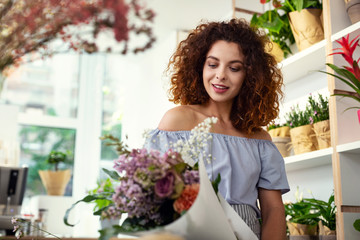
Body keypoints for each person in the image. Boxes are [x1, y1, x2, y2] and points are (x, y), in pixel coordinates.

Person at [145, 18, 290, 240]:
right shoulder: (177, 122)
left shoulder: (260, 139)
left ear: (249, 76)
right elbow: (156, 200)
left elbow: (274, 210)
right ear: (199, 66)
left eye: (234, 68)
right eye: (213, 64)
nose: (221, 75)